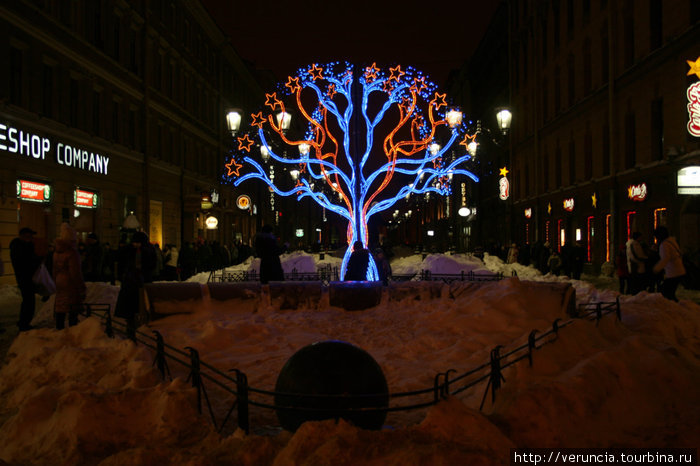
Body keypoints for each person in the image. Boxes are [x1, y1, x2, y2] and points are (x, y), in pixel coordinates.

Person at [115, 231, 157, 335]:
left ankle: (137, 327)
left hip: (141, 282)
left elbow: (151, 264)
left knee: (140, 306)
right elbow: (120, 262)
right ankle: (131, 327)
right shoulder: (129, 250)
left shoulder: (148, 250)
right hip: (132, 282)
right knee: (131, 308)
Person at [52, 223, 86, 329]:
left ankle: (59, 327)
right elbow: (75, 272)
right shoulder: (72, 253)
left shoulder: (57, 252)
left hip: (59, 280)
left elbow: (54, 268)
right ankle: (72, 329)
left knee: (60, 305)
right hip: (70, 282)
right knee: (72, 306)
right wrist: (81, 287)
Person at [10, 227, 42, 331]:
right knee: (28, 301)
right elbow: (27, 262)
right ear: (24, 236)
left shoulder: (20, 246)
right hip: (25, 278)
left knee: (28, 301)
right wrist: (38, 258)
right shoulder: (19, 247)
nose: (32, 237)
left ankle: (24, 322)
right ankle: (24, 323)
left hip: (25, 277)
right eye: (30, 235)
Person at [652, 226, 686, 302]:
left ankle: (674, 309)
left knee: (666, 293)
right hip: (679, 270)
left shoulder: (664, 245)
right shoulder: (671, 241)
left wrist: (656, 268)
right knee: (669, 293)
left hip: (673, 272)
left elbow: (665, 258)